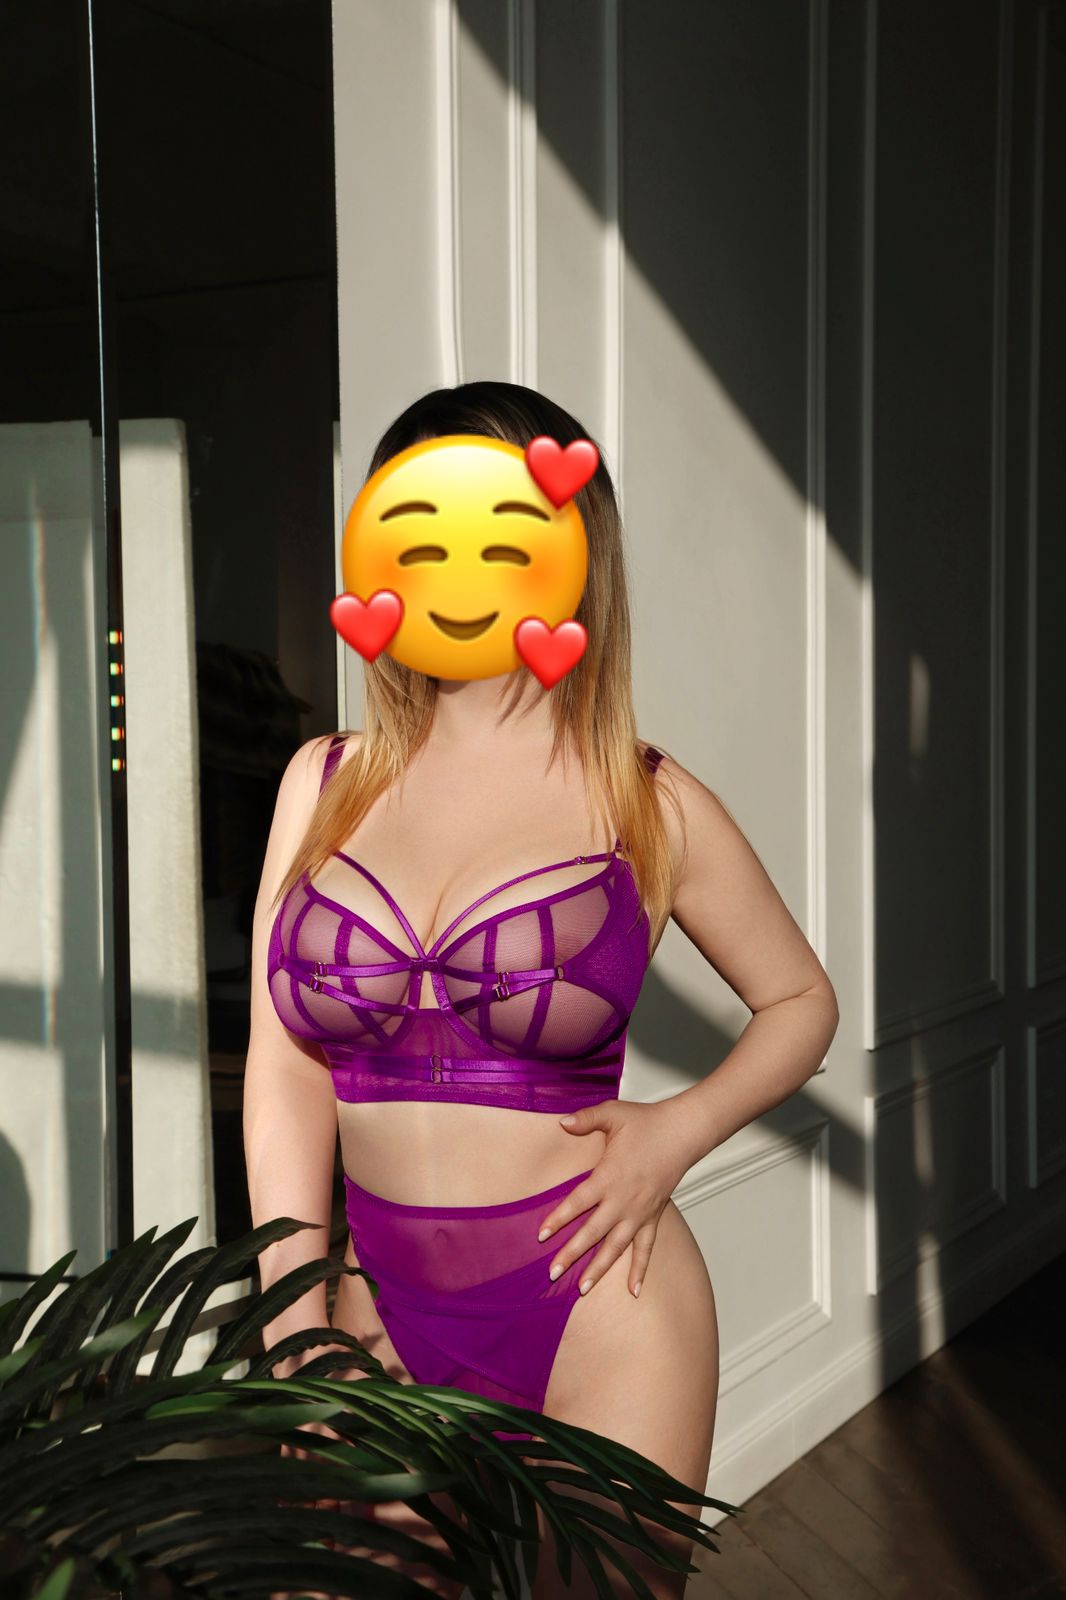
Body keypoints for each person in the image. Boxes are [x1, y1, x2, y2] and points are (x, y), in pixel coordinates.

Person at [244, 380, 839, 1598]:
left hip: (604, 1310)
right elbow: (287, 1070)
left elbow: (800, 1002)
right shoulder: (323, 782)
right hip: (373, 1308)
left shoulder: (647, 800)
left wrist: (674, 1131)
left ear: (573, 549)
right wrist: (290, 1317)